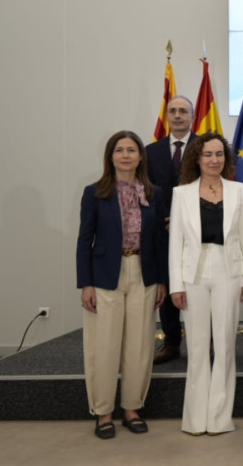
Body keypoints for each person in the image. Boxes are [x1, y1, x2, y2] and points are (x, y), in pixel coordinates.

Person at [76, 130, 167, 439]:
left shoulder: (154, 193)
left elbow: (159, 240)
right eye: (120, 150)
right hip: (105, 276)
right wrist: (85, 283)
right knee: (104, 346)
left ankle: (131, 408)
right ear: (110, 156)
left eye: (132, 150)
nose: (126, 155)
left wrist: (163, 281)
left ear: (141, 156)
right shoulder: (94, 193)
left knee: (140, 346)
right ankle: (103, 411)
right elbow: (84, 240)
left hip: (144, 273)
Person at [168, 133, 243, 435]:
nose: (214, 160)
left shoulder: (239, 191)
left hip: (228, 271)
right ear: (197, 157)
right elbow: (175, 242)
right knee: (196, 347)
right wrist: (175, 285)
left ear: (226, 159)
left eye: (219, 154)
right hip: (192, 274)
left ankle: (219, 418)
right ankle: (195, 419)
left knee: (225, 346)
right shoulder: (181, 194)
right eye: (208, 154)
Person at [146, 95, 195, 365]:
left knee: (199, 286)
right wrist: (167, 218)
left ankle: (203, 342)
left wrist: (186, 220)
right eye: (173, 111)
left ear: (192, 116)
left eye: (183, 111)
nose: (177, 116)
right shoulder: (150, 151)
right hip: (163, 230)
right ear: (167, 116)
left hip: (199, 231)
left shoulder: (205, 147)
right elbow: (146, 191)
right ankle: (172, 342)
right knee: (168, 283)